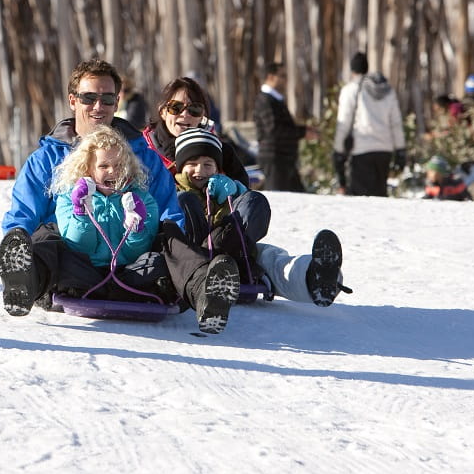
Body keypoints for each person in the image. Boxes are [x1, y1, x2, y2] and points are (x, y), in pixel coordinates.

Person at [0, 59, 242, 334]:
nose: (98, 106)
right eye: (89, 98)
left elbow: (169, 213)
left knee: (171, 236)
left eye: (107, 98)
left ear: (117, 101)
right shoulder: (47, 159)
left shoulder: (142, 158)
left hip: (134, 264)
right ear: (73, 101)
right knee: (46, 234)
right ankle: (25, 283)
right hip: (72, 263)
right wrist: (18, 242)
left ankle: (205, 294)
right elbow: (23, 214)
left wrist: (163, 236)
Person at [143, 76, 350, 307]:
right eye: (176, 107)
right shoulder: (143, 151)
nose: (185, 115)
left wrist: (234, 189)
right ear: (162, 111)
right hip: (174, 241)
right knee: (186, 204)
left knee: (264, 252)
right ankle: (216, 269)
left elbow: (243, 202)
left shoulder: (219, 149)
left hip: (224, 237)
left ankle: (313, 276)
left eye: (194, 109)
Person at [52, 125, 171, 304]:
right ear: (87, 169)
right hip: (88, 271)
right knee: (59, 254)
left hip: (127, 273)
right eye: (103, 166)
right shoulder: (69, 198)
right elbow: (79, 248)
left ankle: (122, 292)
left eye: (119, 165)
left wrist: (136, 228)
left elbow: (135, 255)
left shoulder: (142, 199)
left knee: (157, 261)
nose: (112, 171)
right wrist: (82, 213)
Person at [172, 126, 271, 275]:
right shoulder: (173, 190)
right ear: (180, 167)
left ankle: (228, 263)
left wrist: (237, 192)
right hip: (189, 260)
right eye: (192, 164)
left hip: (229, 254)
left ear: (217, 169)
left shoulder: (228, 191)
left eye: (207, 164)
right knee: (185, 200)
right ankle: (208, 264)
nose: (200, 170)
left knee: (255, 200)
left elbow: (249, 214)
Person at [332, 51, 406, 197]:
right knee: (379, 195)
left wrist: (338, 151)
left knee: (362, 200)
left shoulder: (350, 90)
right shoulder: (387, 90)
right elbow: (396, 123)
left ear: (352, 71)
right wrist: (400, 150)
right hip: (384, 150)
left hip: (361, 150)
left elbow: (344, 124)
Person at [254, 62, 311, 192]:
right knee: (279, 201)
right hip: (275, 160)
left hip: (284, 160)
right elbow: (274, 130)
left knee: (299, 199)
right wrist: (302, 132)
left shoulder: (274, 99)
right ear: (271, 77)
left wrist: (304, 130)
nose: (285, 80)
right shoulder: (265, 100)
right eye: (282, 75)